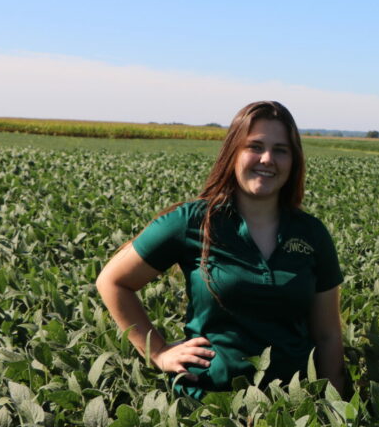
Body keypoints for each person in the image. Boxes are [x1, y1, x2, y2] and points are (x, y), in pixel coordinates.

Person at [96, 101, 344, 396]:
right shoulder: (191, 221)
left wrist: (336, 408)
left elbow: (327, 336)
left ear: (294, 161)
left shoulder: (311, 234)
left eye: (281, 149)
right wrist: (158, 352)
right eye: (254, 146)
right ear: (233, 153)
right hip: (208, 409)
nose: (267, 159)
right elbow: (112, 281)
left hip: (292, 412)